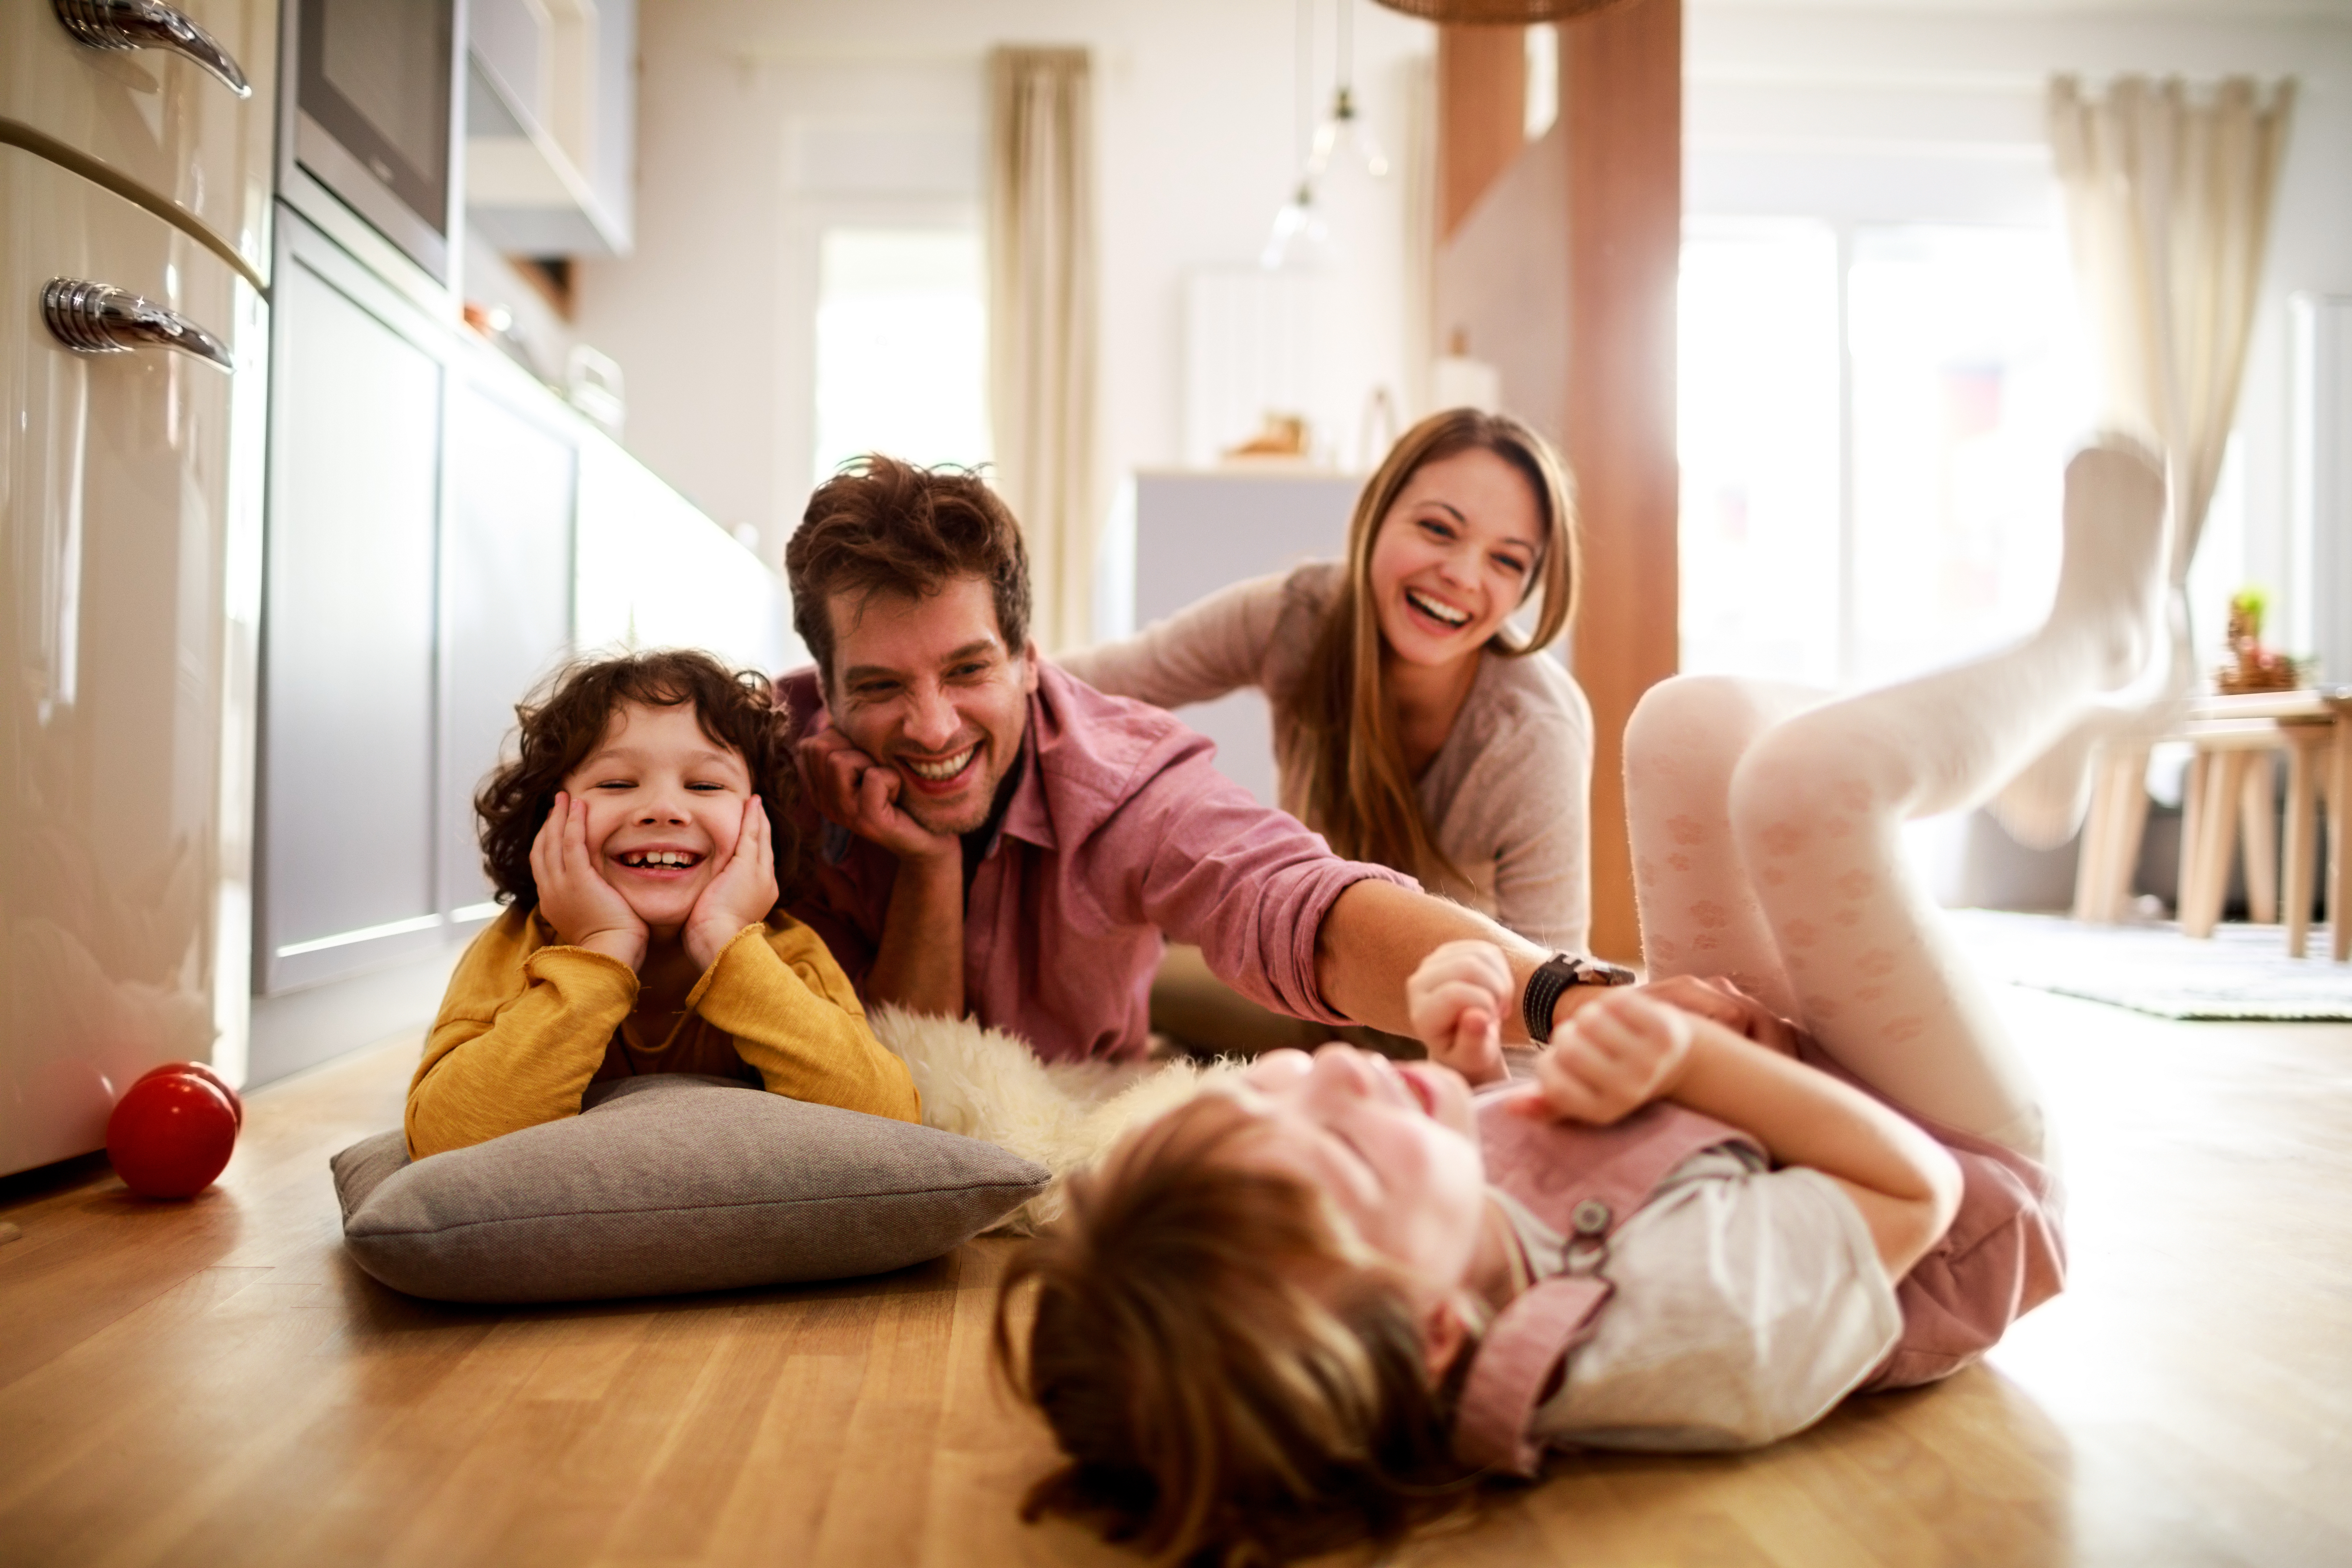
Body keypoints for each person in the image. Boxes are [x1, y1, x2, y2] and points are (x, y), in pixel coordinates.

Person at [995, 437, 2167, 1566]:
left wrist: (1471, 1069)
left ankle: (2018, 737)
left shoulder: (1431, 1236)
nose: (1334, 1074)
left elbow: (1536, 1086)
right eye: (1440, 530)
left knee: (1686, 722)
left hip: (1754, 1099)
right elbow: (1917, 1190)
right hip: (1963, 1185)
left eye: (1279, 1095)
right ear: (1443, 1332)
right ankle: (2096, 649)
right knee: (1811, 790)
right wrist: (1677, 1056)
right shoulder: (1668, 1331)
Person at [777, 456, 1622, 1069]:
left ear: (1031, 663)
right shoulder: (765, 752)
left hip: (1445, 996)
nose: (931, 726)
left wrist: (1566, 996)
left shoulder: (1129, 784)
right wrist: (928, 861)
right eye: (882, 686)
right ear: (827, 688)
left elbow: (1291, 896)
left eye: (968, 669)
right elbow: (1141, 666)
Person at [1059, 410, 1590, 1053]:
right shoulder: (1298, 618)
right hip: (1310, 984)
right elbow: (1092, 683)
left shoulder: (1533, 736)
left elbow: (1552, 1009)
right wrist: (962, 682)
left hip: (1448, 1032)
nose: (1464, 575)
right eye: (1437, 529)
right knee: (1096, 987)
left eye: (1507, 562)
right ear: (1375, 515)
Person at [405, 650, 919, 1160]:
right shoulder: (512, 949)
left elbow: (890, 1123)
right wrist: (603, 952)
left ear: (759, 826)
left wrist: (725, 945)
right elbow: (442, 1140)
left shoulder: (789, 954)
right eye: (616, 784)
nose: (664, 810)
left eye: (705, 785)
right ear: (550, 820)